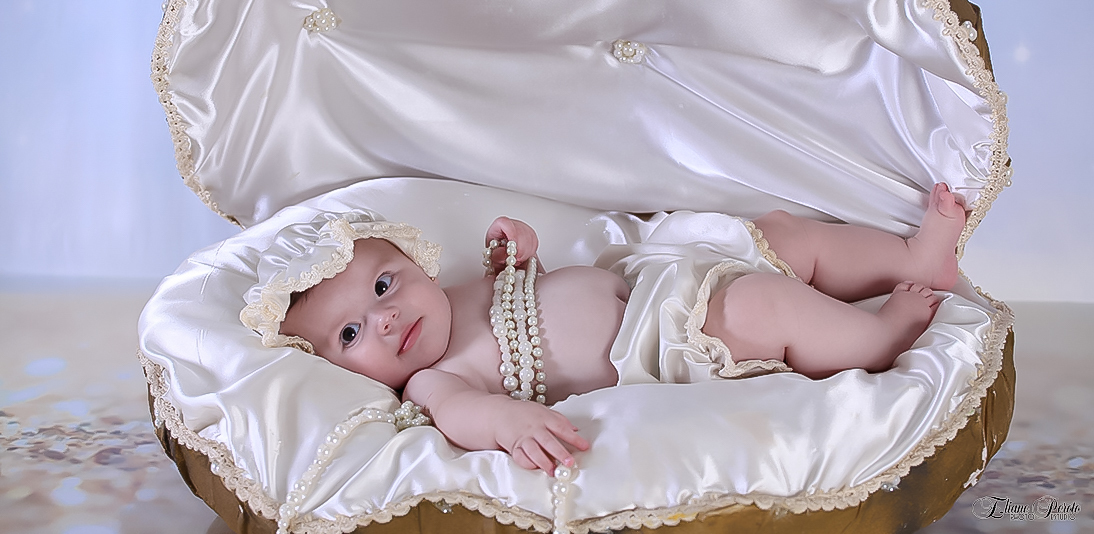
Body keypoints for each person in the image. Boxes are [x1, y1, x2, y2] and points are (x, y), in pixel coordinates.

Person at [279, 183, 966, 475]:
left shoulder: (455, 295)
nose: (384, 318)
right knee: (769, 307)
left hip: (661, 278)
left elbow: (527, 292)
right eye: (350, 336)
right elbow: (465, 414)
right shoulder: (432, 379)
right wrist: (510, 426)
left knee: (781, 236)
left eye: (383, 286)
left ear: (414, 263)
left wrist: (517, 255)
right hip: (666, 344)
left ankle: (910, 259)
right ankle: (876, 342)